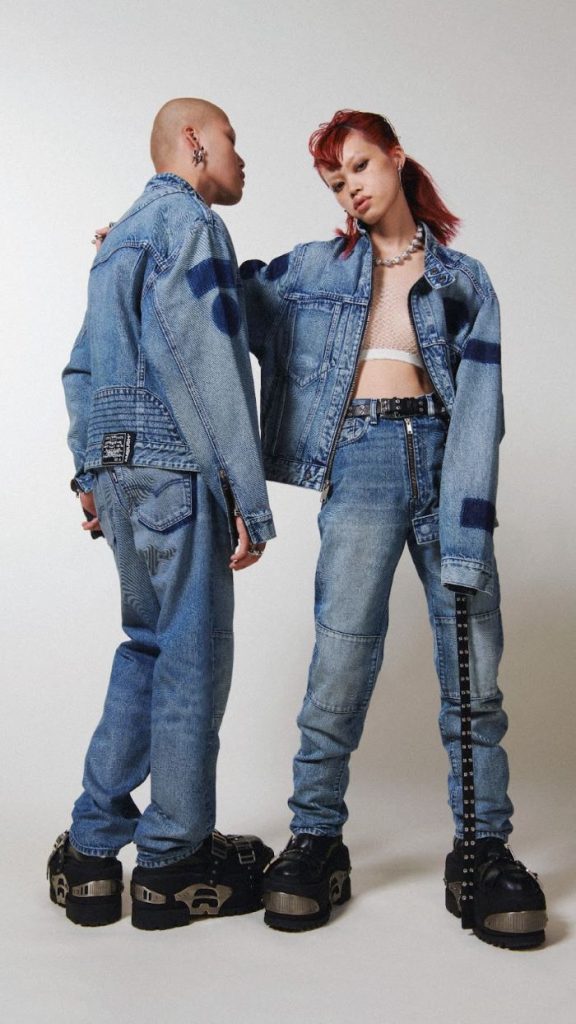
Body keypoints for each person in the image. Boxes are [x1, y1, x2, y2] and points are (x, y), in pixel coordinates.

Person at [240, 109, 547, 948]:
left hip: (448, 460)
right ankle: (315, 838)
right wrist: (142, 249)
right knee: (340, 657)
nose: (351, 189)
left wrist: (467, 516)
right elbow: (222, 298)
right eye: (335, 180)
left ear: (397, 156)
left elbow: (481, 410)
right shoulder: (313, 269)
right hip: (361, 459)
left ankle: (483, 849)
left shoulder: (462, 279)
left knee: (472, 665)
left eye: (361, 166)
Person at [48, 98, 276, 931]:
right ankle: (175, 861)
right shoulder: (190, 226)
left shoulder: (116, 245)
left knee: (146, 647)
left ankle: (91, 851)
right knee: (191, 657)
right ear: (192, 142)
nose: (241, 157)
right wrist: (244, 493)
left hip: (119, 476)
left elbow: (80, 370)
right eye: (231, 140)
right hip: (177, 470)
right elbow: (207, 362)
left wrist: (89, 470)